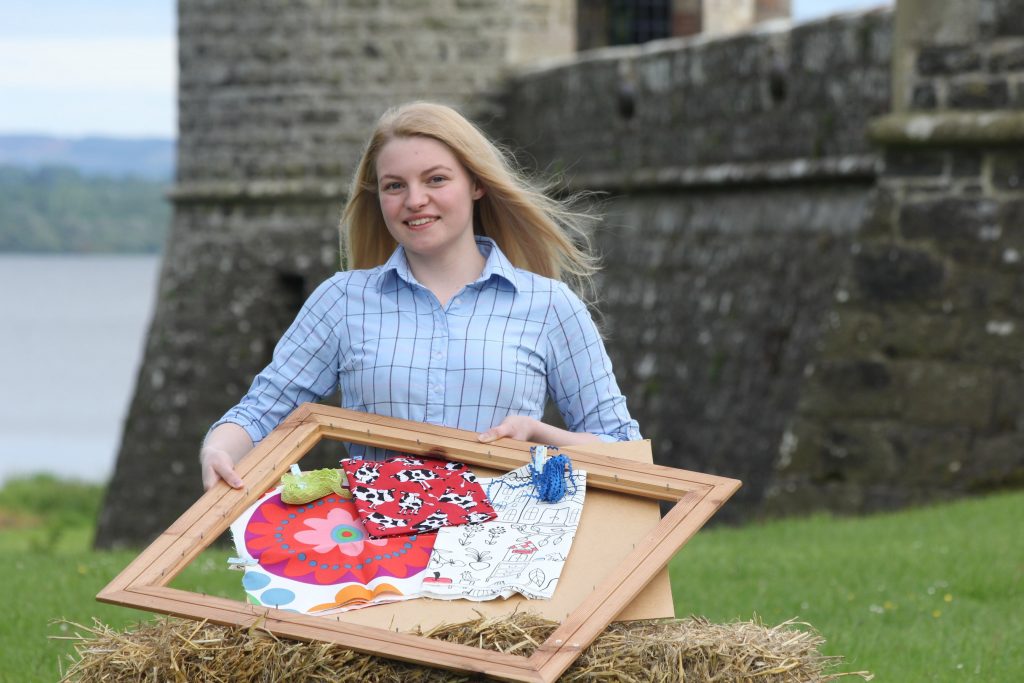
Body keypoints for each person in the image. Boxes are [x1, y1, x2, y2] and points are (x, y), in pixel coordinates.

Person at [200, 102, 640, 491]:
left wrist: (538, 434)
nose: (415, 200)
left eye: (436, 179)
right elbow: (262, 412)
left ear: (476, 184)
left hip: (505, 563)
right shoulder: (341, 299)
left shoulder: (550, 305)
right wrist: (218, 448)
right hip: (377, 562)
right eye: (395, 186)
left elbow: (622, 447)